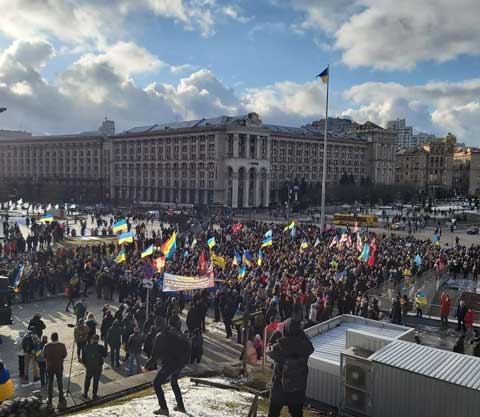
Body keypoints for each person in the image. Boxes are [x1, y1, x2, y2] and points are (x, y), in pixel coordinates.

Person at [266, 318, 314, 417]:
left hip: (279, 388)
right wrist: (300, 334)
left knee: (273, 414)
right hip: (297, 389)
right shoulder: (305, 347)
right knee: (297, 414)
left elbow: (268, 349)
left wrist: (277, 333)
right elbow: (310, 346)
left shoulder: (279, 346)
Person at [150, 325, 190, 415]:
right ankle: (181, 406)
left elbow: (155, 355)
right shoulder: (179, 337)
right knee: (174, 382)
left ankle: (163, 408)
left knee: (156, 383)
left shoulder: (165, 338)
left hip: (170, 365)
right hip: (179, 365)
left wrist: (146, 366)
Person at [43, 332, 67, 409]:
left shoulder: (47, 346)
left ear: (51, 338)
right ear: (57, 337)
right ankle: (61, 399)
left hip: (50, 366)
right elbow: (64, 355)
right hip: (59, 366)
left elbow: (44, 355)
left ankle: (50, 401)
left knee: (50, 383)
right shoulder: (62, 345)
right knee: (60, 382)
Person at [82, 334, 107, 400]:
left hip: (89, 367)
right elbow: (105, 355)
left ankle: (85, 394)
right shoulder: (100, 347)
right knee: (96, 381)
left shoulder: (87, 347)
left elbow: (83, 357)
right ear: (98, 340)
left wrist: (85, 363)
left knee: (87, 380)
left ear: (92, 340)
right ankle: (94, 395)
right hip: (98, 367)